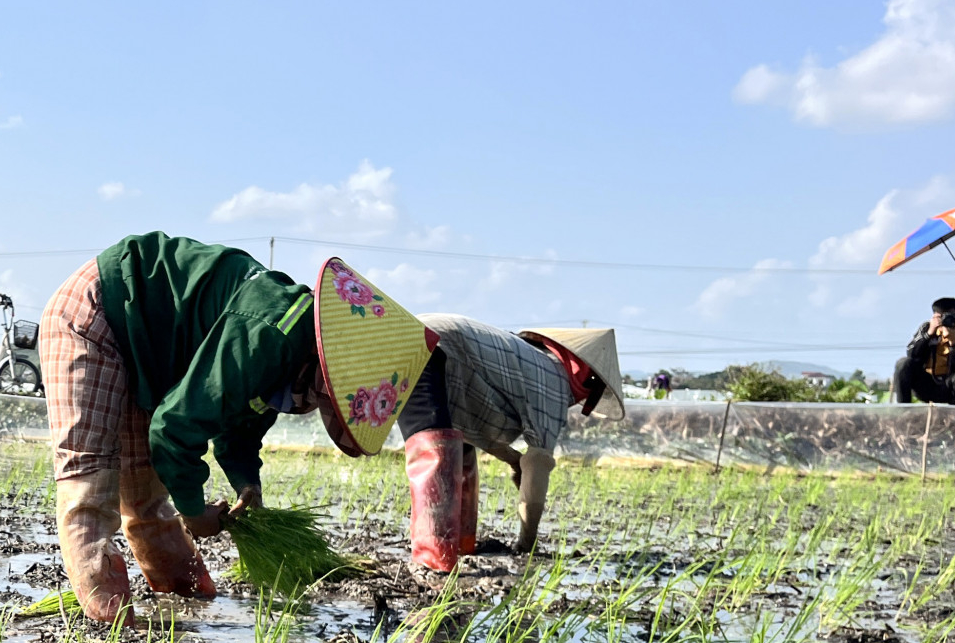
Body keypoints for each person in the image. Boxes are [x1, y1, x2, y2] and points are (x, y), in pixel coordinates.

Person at [41, 232, 431, 621]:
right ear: (332, 371)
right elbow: (174, 428)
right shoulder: (270, 335)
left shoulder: (294, 349)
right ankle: (108, 626)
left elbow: (240, 424)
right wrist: (194, 513)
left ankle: (186, 596)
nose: (318, 408)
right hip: (98, 312)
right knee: (89, 481)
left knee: (144, 492)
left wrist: (248, 484)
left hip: (147, 351)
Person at [399, 317, 624, 571]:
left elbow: (476, 422)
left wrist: (513, 459)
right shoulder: (554, 383)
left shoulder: (529, 361)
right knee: (435, 452)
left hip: (414, 337)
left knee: (457, 445)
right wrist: (527, 543)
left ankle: (460, 545)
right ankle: (433, 563)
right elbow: (538, 468)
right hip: (429, 348)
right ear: (588, 382)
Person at [893, 298, 955, 404]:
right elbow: (912, 354)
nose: (945, 320)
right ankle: (904, 410)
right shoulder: (926, 329)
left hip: (952, 388)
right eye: (941, 317)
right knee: (903, 363)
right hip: (928, 384)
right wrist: (928, 334)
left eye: (949, 316)